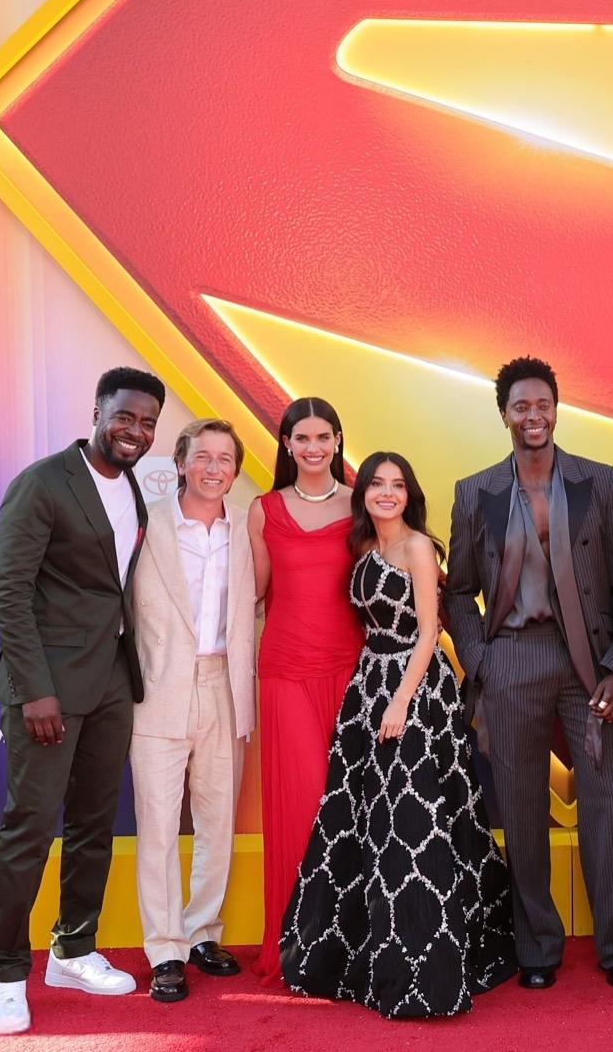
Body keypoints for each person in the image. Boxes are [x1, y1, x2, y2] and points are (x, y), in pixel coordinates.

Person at [281, 452, 515, 1016]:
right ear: (362, 492)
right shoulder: (364, 546)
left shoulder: (418, 548)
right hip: (368, 686)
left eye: (398, 485)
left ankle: (426, 968)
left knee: (416, 821)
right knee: (364, 820)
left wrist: (401, 702)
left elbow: (430, 632)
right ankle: (368, 957)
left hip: (416, 692)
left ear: (410, 494)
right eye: (377, 484)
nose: (387, 493)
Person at [447, 356, 613, 991]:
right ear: (503, 414)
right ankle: (537, 945)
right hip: (511, 660)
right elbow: (459, 593)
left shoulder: (600, 482)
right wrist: (482, 661)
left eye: (543, 405)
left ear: (557, 410)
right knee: (522, 806)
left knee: (606, 801)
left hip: (590, 666)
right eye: (521, 407)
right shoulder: (474, 492)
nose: (533, 416)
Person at [0, 367, 164, 1035]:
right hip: (48, 687)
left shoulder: (135, 489)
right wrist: (35, 689)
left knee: (93, 824)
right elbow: (8, 589)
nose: (135, 431)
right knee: (30, 828)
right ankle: (5, 973)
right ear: (97, 412)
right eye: (125, 416)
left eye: (148, 423)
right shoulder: (43, 482)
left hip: (112, 680)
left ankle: (73, 949)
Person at [131, 419, 256, 1002]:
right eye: (202, 456)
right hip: (157, 689)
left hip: (224, 685)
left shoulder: (248, 528)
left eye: (224, 459)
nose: (213, 468)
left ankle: (203, 930)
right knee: (158, 825)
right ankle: (165, 948)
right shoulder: (145, 520)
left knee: (216, 820)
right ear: (179, 463)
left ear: (235, 470)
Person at [247, 397, 364, 986]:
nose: (313, 448)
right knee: (303, 804)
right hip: (286, 670)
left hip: (352, 668)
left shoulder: (363, 503)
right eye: (302, 438)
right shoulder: (264, 509)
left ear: (338, 440)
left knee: (350, 805)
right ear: (287, 445)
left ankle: (349, 948)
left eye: (323, 437)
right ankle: (298, 949)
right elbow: (253, 592)